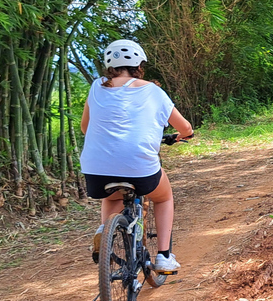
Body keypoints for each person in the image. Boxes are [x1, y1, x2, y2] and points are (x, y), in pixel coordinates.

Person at [80, 40, 193, 272]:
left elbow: (85, 128)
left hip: (95, 169)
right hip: (139, 167)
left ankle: (105, 232)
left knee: (111, 195)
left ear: (109, 64)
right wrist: (183, 136)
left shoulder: (97, 86)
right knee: (163, 197)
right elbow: (185, 128)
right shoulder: (153, 90)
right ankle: (164, 256)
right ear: (140, 64)